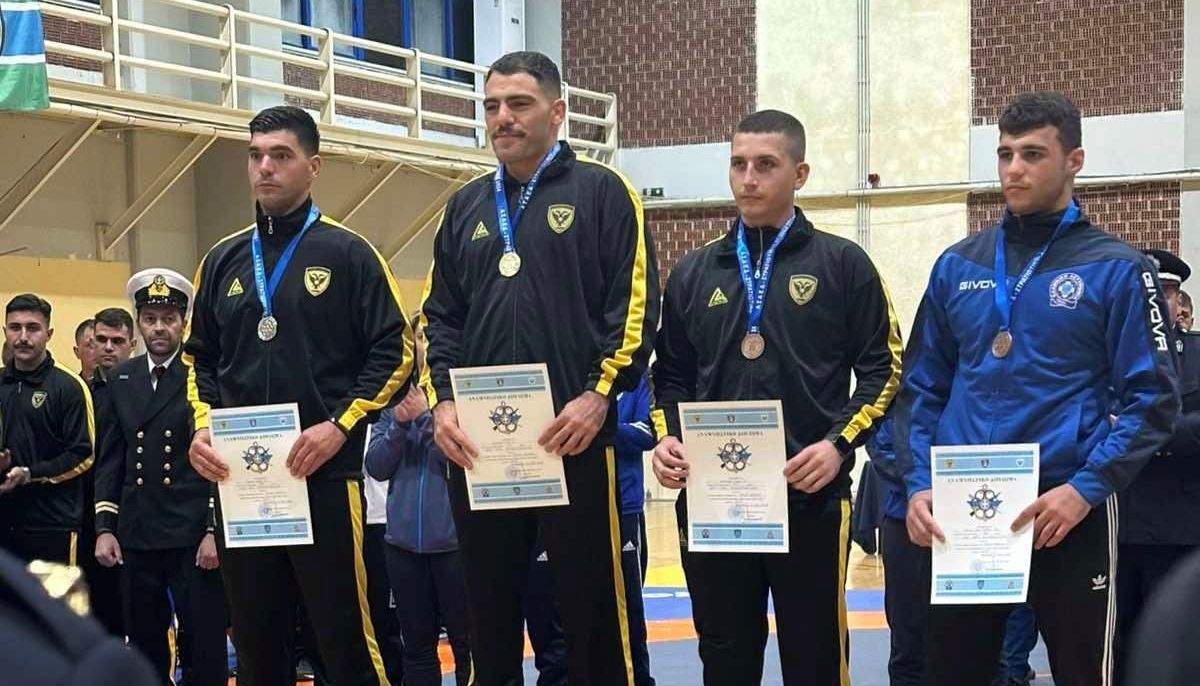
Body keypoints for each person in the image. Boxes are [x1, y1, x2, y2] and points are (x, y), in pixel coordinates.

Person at [896, 92, 1179, 686]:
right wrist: (919, 483)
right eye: (1005, 154)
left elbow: (1152, 398)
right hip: (967, 508)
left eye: (1032, 154)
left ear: (1074, 160)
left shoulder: (1118, 268)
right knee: (951, 673)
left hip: (1066, 508)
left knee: (1083, 672)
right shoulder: (958, 265)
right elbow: (921, 388)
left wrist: (1085, 489)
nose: (1014, 169)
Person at [420, 50, 659, 685]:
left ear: (557, 111)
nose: (502, 117)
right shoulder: (465, 206)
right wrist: (443, 402)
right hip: (481, 445)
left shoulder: (604, 192)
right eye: (492, 106)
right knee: (486, 616)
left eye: (519, 104)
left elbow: (633, 309)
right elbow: (440, 316)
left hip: (571, 437)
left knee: (592, 617)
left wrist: (598, 396)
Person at [651, 109, 903, 685]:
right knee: (724, 656)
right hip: (715, 499)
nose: (748, 179)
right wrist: (668, 439)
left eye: (765, 165)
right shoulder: (694, 272)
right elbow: (669, 377)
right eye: (738, 164)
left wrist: (837, 445)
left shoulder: (843, 264)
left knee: (815, 658)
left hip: (809, 496)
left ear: (800, 173)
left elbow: (885, 369)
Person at [185, 104, 414, 686]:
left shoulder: (350, 254)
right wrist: (203, 425)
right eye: (255, 156)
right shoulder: (222, 260)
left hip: (324, 478)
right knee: (256, 646)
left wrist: (339, 425)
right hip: (243, 481)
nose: (264, 167)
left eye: (280, 155)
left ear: (313, 167)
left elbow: (398, 353)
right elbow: (198, 359)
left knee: (344, 643)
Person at [94, 269, 227, 685]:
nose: (159, 328)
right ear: (139, 323)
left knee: (204, 640)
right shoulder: (121, 378)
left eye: (168, 318)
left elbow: (220, 457)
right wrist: (105, 527)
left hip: (192, 531)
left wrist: (214, 529)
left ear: (183, 323)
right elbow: (111, 459)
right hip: (138, 531)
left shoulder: (203, 375)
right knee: (145, 639)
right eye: (150, 319)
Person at [526, 375, 658, 686]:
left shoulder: (633, 377)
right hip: (556, 503)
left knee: (627, 616)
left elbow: (649, 431)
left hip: (622, 505)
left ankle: (637, 678)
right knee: (553, 611)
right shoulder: (561, 373)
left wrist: (599, 426)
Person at [365, 323, 471, 686]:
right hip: (403, 546)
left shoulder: (459, 396)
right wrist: (399, 424)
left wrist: (426, 418)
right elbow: (376, 466)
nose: (422, 343)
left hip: (455, 544)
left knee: (467, 646)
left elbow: (465, 460)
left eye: (427, 335)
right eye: (418, 336)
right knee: (417, 648)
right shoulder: (394, 398)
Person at [1114, 249, 1200, 683]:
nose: (1152, 301)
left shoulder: (1198, 352)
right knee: (1116, 646)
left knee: (1174, 650)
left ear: (1177, 300)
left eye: (1162, 292)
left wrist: (1149, 435)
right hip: (1115, 521)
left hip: (1178, 526)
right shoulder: (1103, 356)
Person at [0, 294, 95, 564]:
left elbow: (83, 454)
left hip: (53, 524)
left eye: (33, 328)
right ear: (5, 331)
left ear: (48, 334)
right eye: (15, 328)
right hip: (4, 522)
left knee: (54, 595)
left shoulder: (69, 387)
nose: (23, 337)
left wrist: (30, 474)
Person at [82, 307, 135, 639]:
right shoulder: (81, 392)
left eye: (117, 341)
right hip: (89, 510)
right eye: (100, 340)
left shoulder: (143, 389)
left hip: (135, 510)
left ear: (132, 344)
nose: (108, 348)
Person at [867, 416, 930, 686]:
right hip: (904, 520)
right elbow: (879, 445)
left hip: (971, 523)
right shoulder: (896, 392)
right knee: (908, 645)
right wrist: (921, 485)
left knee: (983, 644)